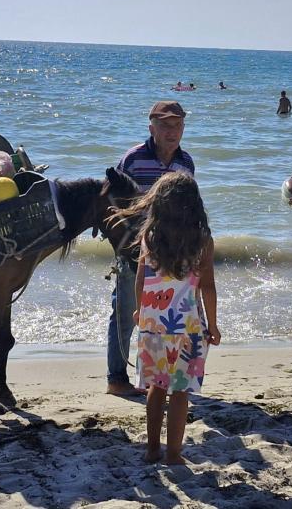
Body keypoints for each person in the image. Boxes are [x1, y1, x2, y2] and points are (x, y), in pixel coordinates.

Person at [110, 171, 219, 464]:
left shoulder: (150, 237)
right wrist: (214, 324)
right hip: (188, 327)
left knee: (156, 387)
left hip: (154, 323)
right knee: (181, 391)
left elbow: (141, 279)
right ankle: (173, 454)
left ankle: (151, 450)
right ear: (194, 205)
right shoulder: (202, 240)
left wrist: (138, 310)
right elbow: (207, 286)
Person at [107, 101, 195, 396]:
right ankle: (117, 378)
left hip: (172, 254)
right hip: (134, 251)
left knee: (165, 318)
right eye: (165, 125)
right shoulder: (132, 160)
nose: (172, 131)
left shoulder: (186, 164)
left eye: (177, 125)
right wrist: (124, 245)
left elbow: (189, 210)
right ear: (151, 128)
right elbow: (111, 207)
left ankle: (158, 377)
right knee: (126, 311)